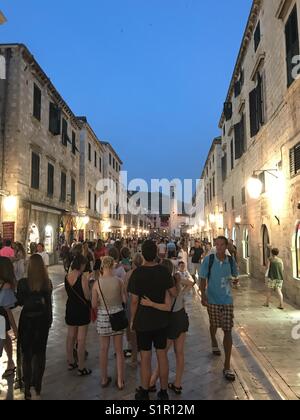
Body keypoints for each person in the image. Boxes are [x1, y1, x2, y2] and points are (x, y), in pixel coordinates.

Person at [128, 240, 177, 401]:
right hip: (161, 321)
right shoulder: (163, 271)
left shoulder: (137, 273)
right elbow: (173, 292)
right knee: (162, 355)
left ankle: (144, 391)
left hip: (143, 321)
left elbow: (134, 301)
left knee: (146, 357)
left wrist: (132, 320)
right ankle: (163, 391)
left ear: (142, 253)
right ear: (156, 253)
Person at [148, 259, 193, 395]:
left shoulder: (161, 284)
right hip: (181, 317)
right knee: (179, 353)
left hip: (170, 320)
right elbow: (191, 283)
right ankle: (177, 384)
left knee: (163, 354)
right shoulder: (176, 280)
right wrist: (182, 292)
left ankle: (152, 382)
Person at [200, 236, 239, 382]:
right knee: (214, 324)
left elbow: (235, 275)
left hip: (227, 300)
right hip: (213, 299)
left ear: (226, 246)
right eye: (218, 245)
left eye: (222, 245)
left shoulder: (230, 260)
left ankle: (227, 365)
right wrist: (203, 294)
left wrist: (235, 280)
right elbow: (203, 278)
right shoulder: (209, 260)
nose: (220, 247)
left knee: (228, 329)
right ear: (215, 246)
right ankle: (213, 340)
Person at [17, 254, 53, 400]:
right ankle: (37, 386)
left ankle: (26, 389)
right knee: (40, 354)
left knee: (27, 355)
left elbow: (19, 302)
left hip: (27, 322)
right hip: (42, 322)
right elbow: (49, 306)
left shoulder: (23, 283)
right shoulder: (47, 283)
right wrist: (49, 322)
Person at [92, 256, 127, 390]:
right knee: (119, 351)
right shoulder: (119, 281)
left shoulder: (97, 283)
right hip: (117, 317)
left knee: (103, 350)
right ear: (113, 266)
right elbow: (124, 300)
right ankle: (120, 381)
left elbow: (94, 304)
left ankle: (104, 378)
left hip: (103, 317)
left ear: (102, 267)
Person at [65, 255, 92, 376]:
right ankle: (81, 367)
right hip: (82, 310)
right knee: (81, 339)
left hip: (70, 307)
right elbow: (87, 296)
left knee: (70, 336)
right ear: (81, 265)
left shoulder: (67, 276)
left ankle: (70, 361)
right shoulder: (82, 278)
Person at [123, 253, 144, 364]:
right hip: (143, 303)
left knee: (132, 330)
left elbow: (125, 290)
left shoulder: (129, 274)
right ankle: (141, 355)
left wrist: (127, 301)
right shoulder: (145, 274)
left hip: (131, 302)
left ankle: (134, 357)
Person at [0, 257, 16, 379]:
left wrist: (16, 331)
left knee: (5, 338)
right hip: (1, 321)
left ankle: (10, 362)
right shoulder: (5, 286)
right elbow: (8, 312)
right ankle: (10, 362)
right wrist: (16, 331)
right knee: (5, 338)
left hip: (1, 322)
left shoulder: (5, 286)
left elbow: (8, 311)